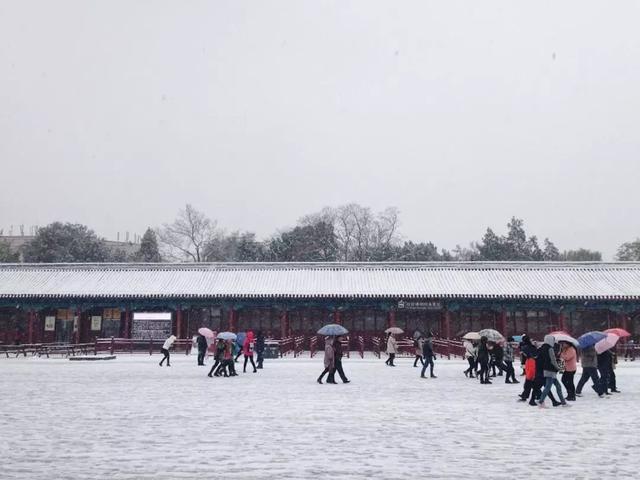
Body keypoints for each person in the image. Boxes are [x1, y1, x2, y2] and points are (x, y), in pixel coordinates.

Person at [537, 335, 568, 408]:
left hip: (545, 369)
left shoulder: (542, 348)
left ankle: (563, 402)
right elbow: (553, 360)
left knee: (558, 386)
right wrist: (558, 368)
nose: (554, 342)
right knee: (548, 387)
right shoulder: (550, 349)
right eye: (553, 340)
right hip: (551, 369)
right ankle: (541, 402)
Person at [518, 336, 538, 403]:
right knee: (532, 383)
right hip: (532, 366)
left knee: (529, 383)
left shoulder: (526, 349)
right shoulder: (532, 347)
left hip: (530, 367)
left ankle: (525, 396)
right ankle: (538, 394)